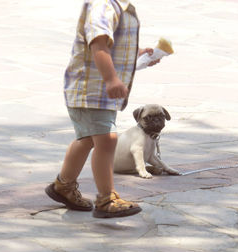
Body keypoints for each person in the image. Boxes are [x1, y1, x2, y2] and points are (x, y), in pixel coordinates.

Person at [45, 0, 160, 218]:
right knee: (107, 139)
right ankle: (107, 198)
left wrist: (138, 53)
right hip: (91, 90)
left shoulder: (120, 7)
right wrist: (111, 79)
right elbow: (98, 44)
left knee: (87, 139)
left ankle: (63, 186)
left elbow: (111, 45)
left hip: (96, 92)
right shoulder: (102, 5)